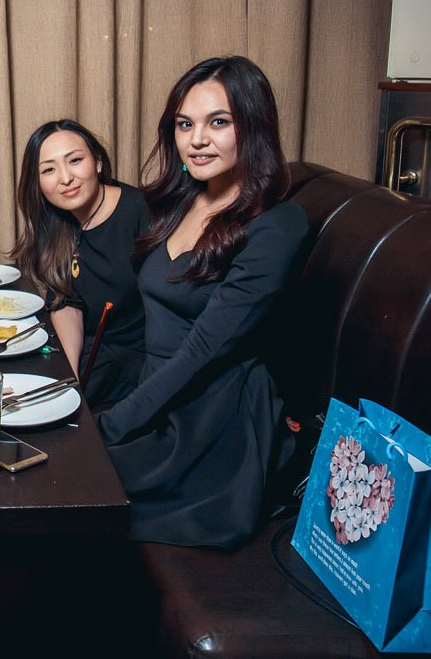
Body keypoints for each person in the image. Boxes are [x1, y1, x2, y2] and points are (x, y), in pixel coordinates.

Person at [97, 55, 308, 551]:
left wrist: (111, 424)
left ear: (253, 127)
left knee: (74, 491)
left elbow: (203, 350)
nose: (196, 140)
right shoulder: (179, 203)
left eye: (218, 122)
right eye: (185, 124)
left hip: (214, 418)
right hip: (158, 395)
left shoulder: (278, 224)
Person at [9, 120, 148, 406]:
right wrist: (69, 378)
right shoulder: (56, 222)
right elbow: (66, 301)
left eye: (75, 160)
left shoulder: (141, 212)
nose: (66, 178)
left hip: (141, 369)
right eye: (49, 169)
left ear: (97, 162)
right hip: (93, 359)